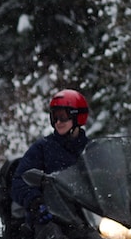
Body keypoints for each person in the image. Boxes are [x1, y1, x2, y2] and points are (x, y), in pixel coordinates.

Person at [10, 88, 89, 228]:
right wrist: (36, 202)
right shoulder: (43, 148)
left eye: (63, 116)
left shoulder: (90, 149)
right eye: (54, 117)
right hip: (50, 219)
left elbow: (105, 177)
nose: (58, 122)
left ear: (78, 117)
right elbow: (19, 181)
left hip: (85, 217)